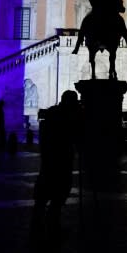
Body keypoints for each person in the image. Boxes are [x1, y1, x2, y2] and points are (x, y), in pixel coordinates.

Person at [31, 90, 82, 238]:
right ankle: (51, 223)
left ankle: (40, 223)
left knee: (46, 194)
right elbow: (76, 136)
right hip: (60, 159)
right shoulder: (66, 116)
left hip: (51, 159)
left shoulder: (52, 113)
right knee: (57, 194)